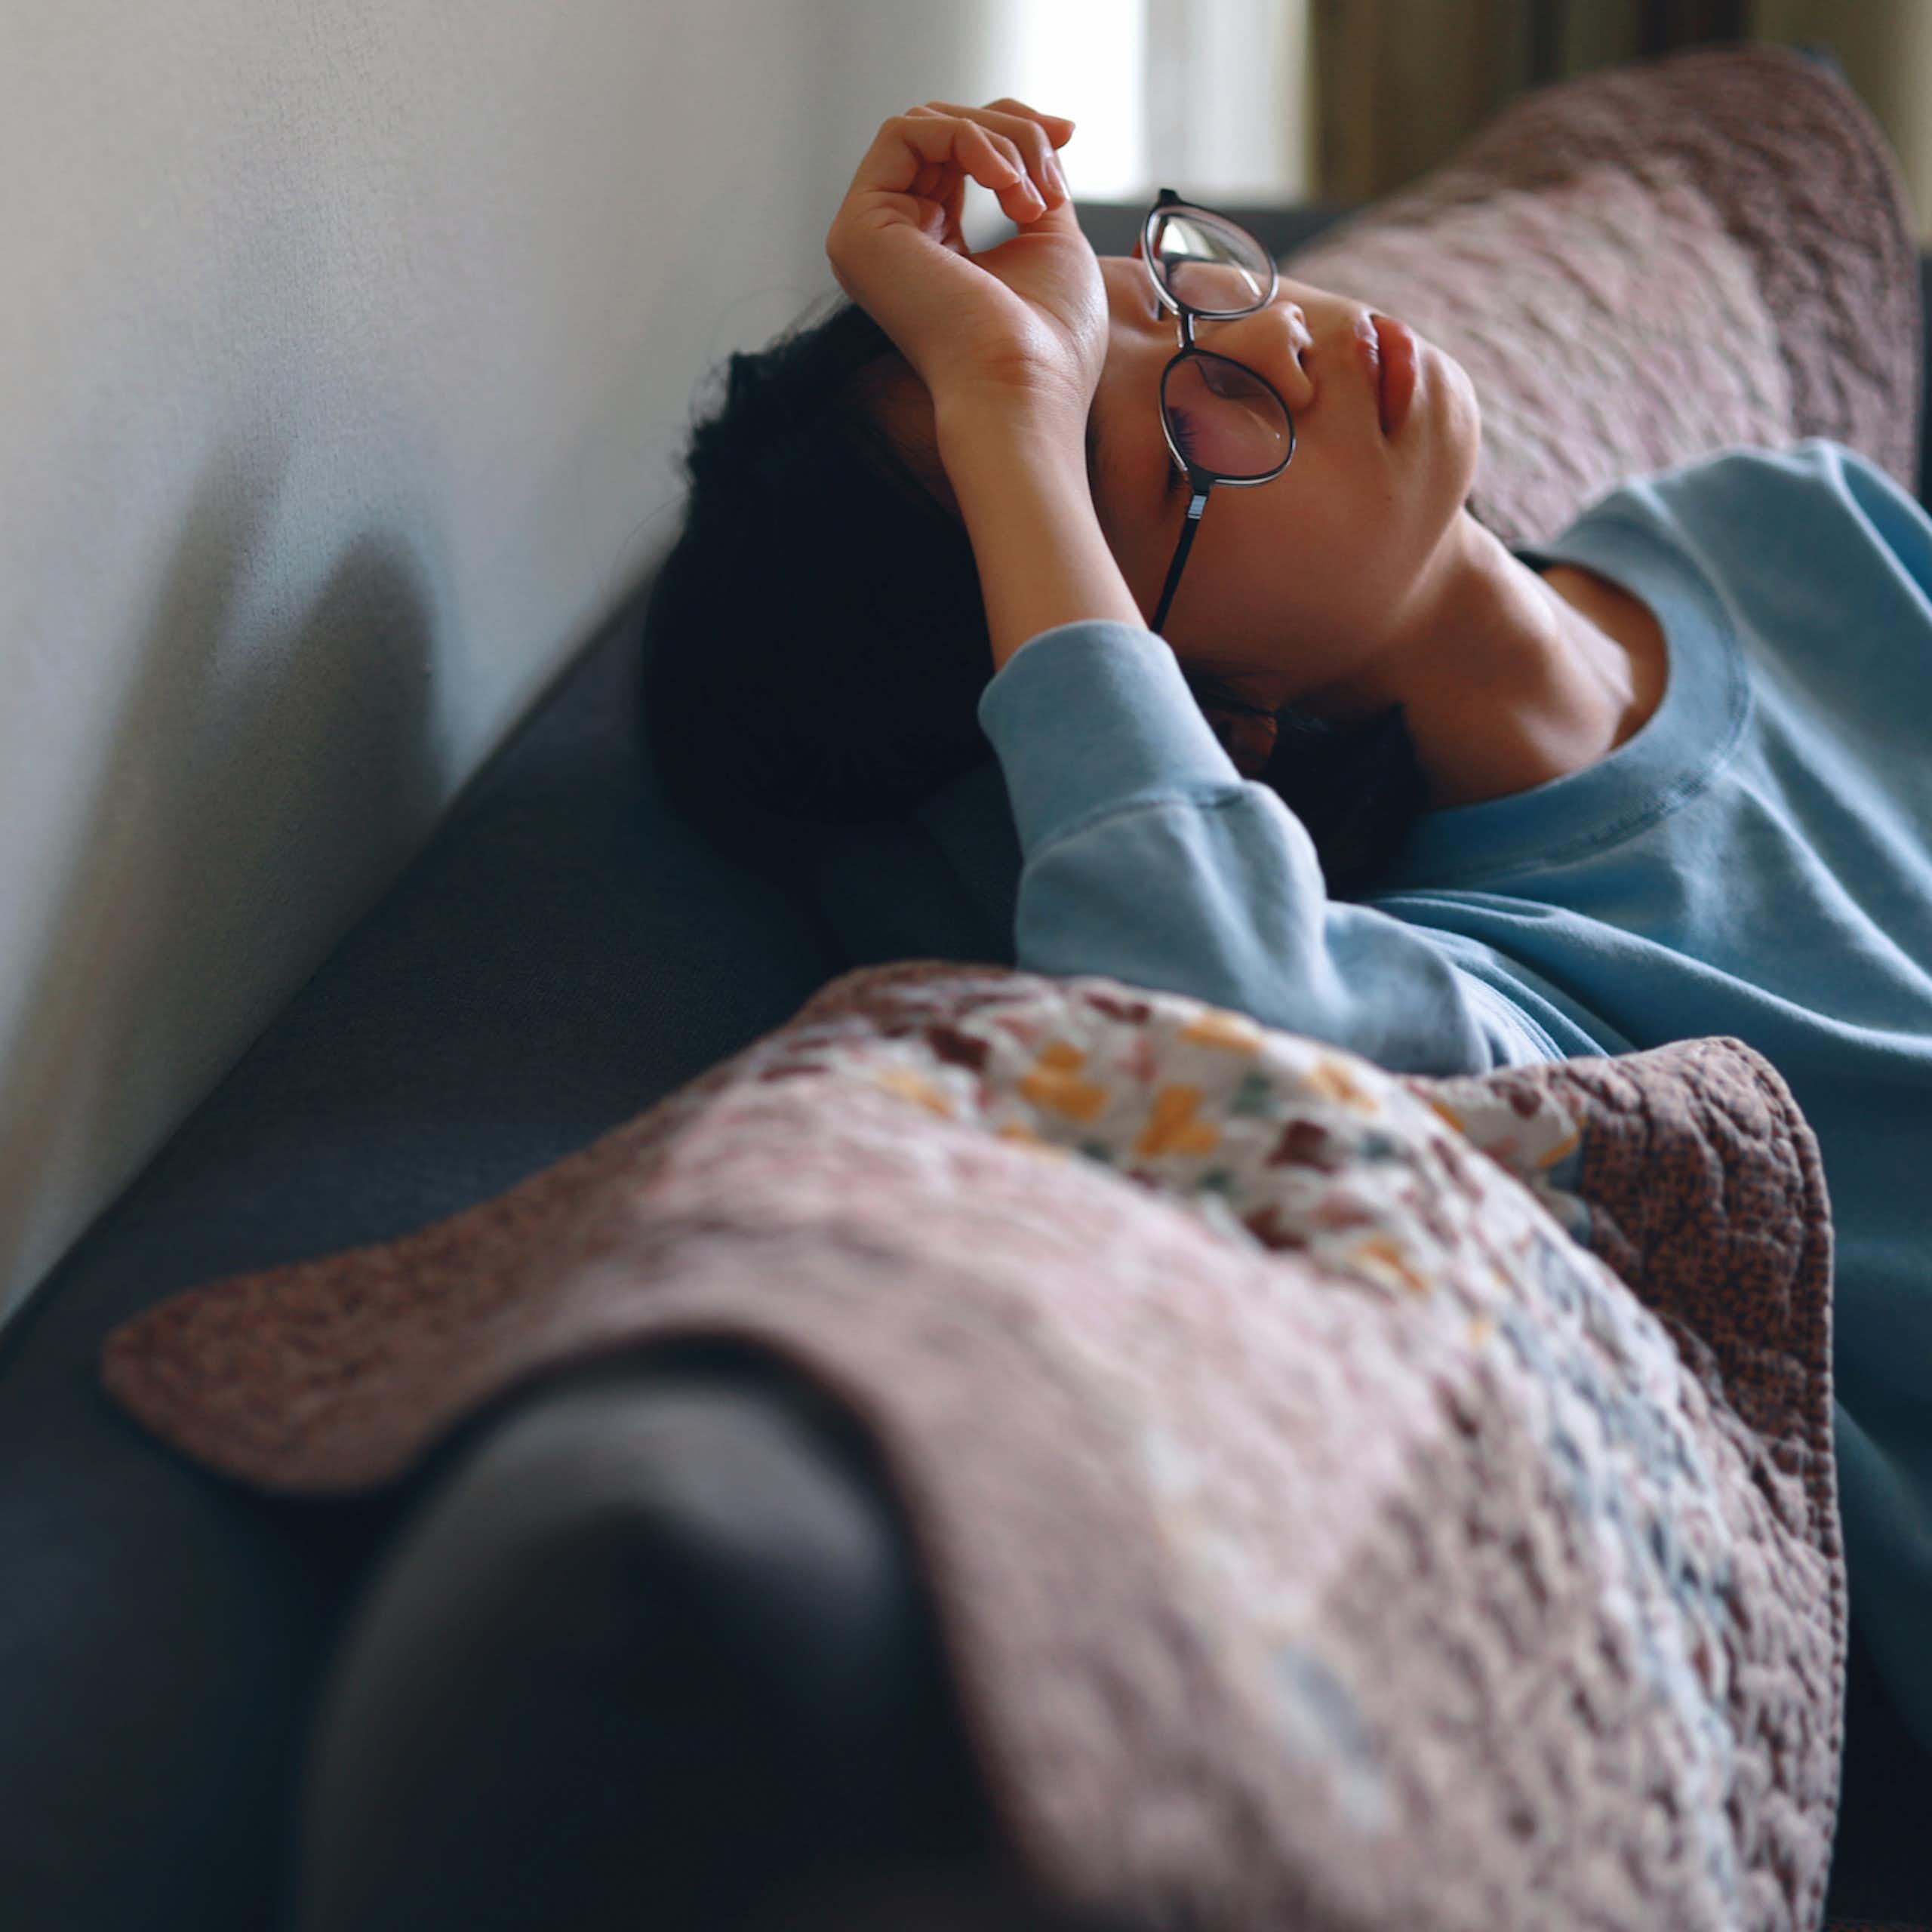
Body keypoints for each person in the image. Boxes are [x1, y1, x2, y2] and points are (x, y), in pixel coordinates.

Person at [641, 97, 1932, 1795]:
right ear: (1192, 703)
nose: (1272, 344)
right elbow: (1195, 997)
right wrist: (1008, 427)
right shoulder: (1501, 992)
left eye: (1172, 301)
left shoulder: (1787, 523)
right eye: (1178, 442)